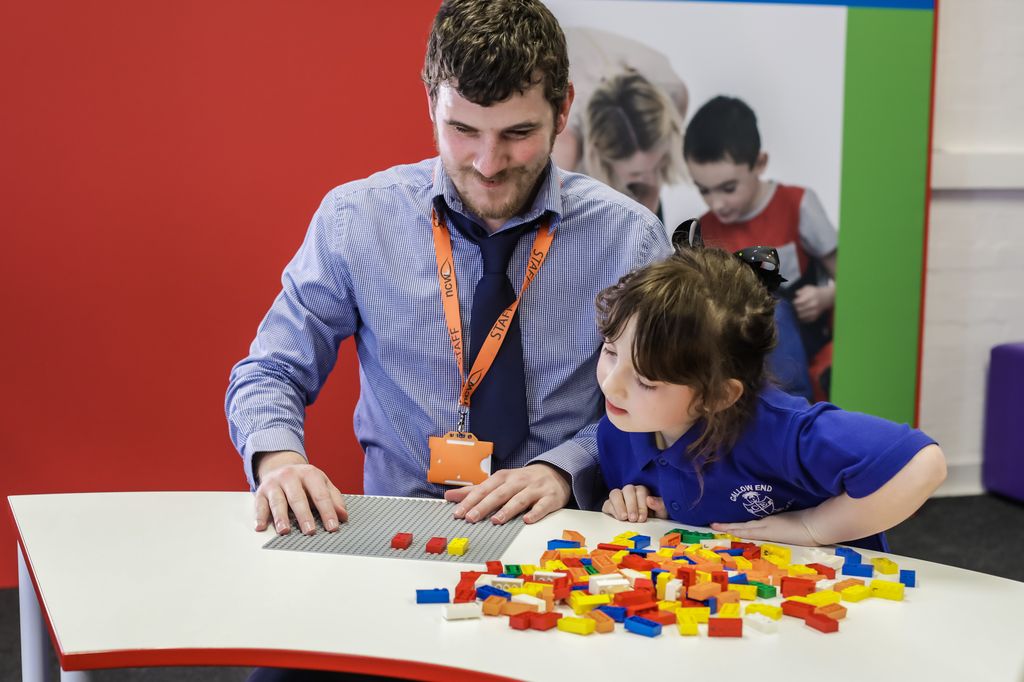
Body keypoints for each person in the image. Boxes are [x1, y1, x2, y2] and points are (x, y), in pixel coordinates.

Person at [225, 0, 672, 540]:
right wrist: (278, 462)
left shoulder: (630, 237)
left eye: (517, 133)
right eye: (462, 129)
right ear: (430, 106)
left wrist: (564, 466)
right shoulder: (355, 219)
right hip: (401, 531)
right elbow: (270, 369)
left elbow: (671, 398)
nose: (488, 163)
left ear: (563, 109)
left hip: (567, 534)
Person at [594, 246, 946, 550]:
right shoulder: (619, 428)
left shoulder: (780, 432)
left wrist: (812, 527)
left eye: (645, 380)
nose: (611, 385)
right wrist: (631, 503)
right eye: (610, 351)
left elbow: (924, 465)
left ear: (718, 395)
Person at [683, 95, 837, 401]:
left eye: (728, 188)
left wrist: (826, 296)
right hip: (736, 356)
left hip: (801, 348)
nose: (717, 203)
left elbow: (852, 279)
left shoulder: (797, 205)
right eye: (704, 191)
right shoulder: (704, 230)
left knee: (772, 306)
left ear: (760, 163)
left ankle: (789, 410)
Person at [552, 27, 688, 221]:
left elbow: (649, 192)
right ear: (598, 153)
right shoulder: (565, 143)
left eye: (658, 163)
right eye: (636, 173)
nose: (650, 178)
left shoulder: (674, 91)